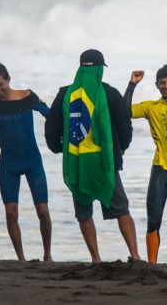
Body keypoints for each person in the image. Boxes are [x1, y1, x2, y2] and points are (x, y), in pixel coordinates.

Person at [45, 49, 140, 263]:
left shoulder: (65, 94)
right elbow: (124, 125)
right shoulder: (109, 93)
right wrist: (121, 148)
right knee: (121, 209)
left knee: (84, 212)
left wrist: (59, 148)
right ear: (99, 69)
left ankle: (96, 258)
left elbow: (51, 128)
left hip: (78, 163)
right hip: (105, 162)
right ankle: (135, 255)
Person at [0, 62, 53, 262]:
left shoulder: (28, 97)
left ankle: (47, 256)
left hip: (32, 160)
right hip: (8, 164)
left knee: (43, 212)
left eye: (0, 84)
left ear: (8, 79)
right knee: (11, 213)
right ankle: (21, 259)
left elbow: (50, 115)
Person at [123, 65, 167, 264]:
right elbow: (124, 111)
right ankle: (152, 265)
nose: (166, 86)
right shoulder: (151, 107)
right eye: (162, 83)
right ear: (157, 86)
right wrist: (132, 85)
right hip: (160, 169)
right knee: (153, 221)